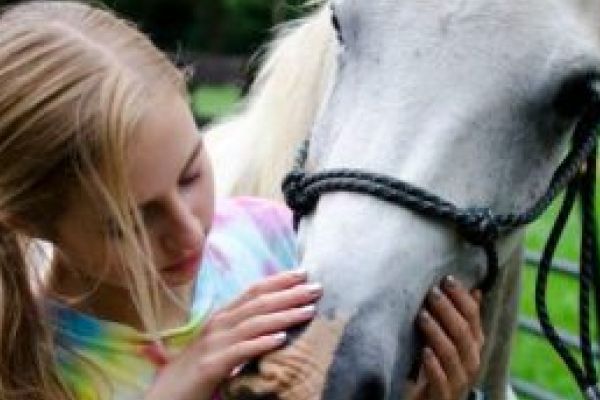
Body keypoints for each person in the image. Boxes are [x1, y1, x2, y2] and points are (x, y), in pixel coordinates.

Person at [0, 2, 485, 400]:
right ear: (34, 222)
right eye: (130, 223)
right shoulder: (41, 371)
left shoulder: (273, 238)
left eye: (191, 174)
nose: (189, 232)